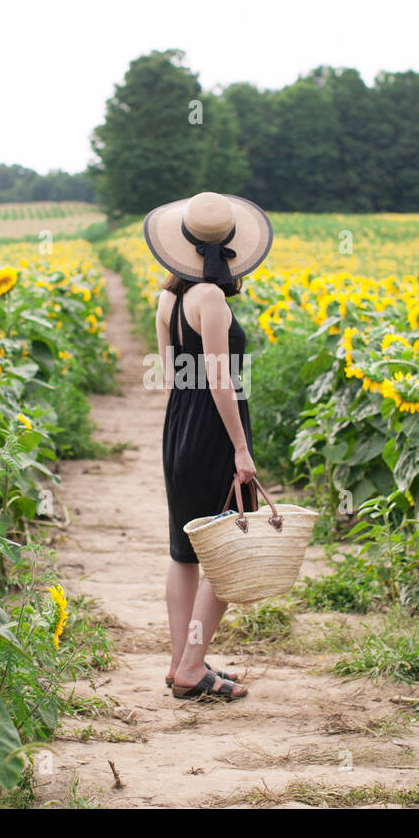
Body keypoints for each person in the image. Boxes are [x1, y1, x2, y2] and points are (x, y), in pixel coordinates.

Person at [144, 191, 274, 701]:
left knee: (184, 553)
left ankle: (182, 663)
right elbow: (222, 382)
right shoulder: (211, 300)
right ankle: (194, 667)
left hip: (179, 427)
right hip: (214, 434)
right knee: (227, 552)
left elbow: (172, 377)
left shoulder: (167, 299)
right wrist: (241, 449)